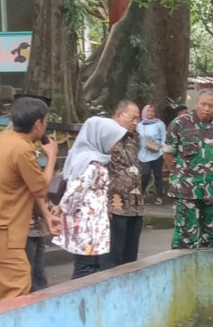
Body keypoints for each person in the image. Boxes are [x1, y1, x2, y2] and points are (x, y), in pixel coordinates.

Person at [0, 97, 60, 304]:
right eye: (46, 122)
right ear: (38, 124)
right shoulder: (22, 149)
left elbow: (28, 187)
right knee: (16, 289)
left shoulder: (6, 138)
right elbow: (41, 188)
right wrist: (52, 156)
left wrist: (46, 215)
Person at [54, 117, 128, 280]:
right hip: (87, 228)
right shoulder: (92, 165)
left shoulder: (93, 161)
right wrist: (63, 210)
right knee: (85, 268)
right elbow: (75, 192)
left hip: (91, 227)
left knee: (89, 266)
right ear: (102, 139)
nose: (117, 147)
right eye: (114, 142)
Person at [164, 89, 213, 250]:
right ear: (196, 103)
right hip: (186, 190)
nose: (207, 108)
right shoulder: (179, 124)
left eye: (211, 105)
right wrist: (179, 175)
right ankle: (183, 270)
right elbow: (168, 153)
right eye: (203, 104)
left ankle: (209, 270)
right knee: (186, 236)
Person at [102, 99, 144, 268]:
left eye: (137, 119)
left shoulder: (133, 140)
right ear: (118, 115)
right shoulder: (105, 139)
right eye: (132, 118)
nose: (135, 122)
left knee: (130, 260)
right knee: (113, 259)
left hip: (134, 206)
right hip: (114, 207)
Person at [137, 104, 167, 206]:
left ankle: (159, 197)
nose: (150, 113)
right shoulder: (140, 125)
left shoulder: (159, 124)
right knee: (145, 174)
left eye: (152, 111)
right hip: (143, 154)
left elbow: (164, 137)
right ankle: (140, 195)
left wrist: (163, 150)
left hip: (157, 153)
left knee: (158, 175)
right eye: (148, 111)